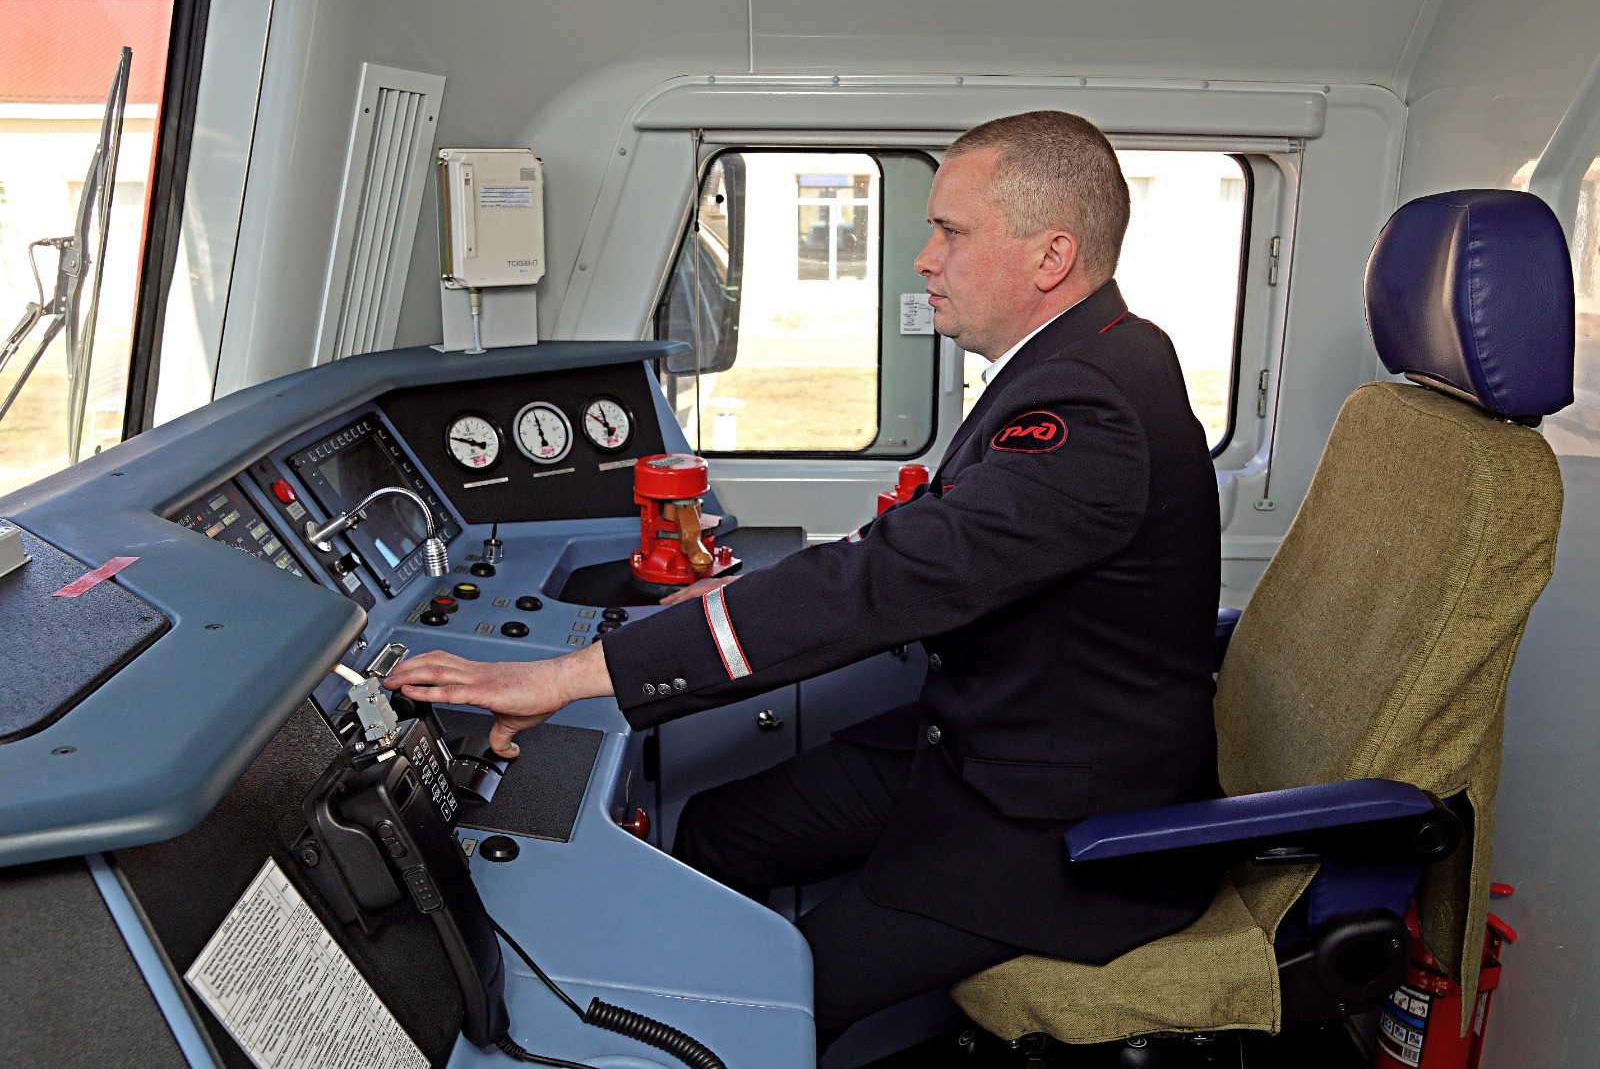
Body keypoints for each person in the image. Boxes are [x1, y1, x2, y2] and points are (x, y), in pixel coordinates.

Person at [384, 110, 1222, 1050]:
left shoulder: (1089, 407)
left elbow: (893, 579)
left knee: (767, 1004)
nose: (925, 260)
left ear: (1050, 256)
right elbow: (939, 537)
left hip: (1060, 824)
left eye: (951, 232)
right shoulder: (1088, 356)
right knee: (718, 833)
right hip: (984, 745)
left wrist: (567, 676)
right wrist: (731, 603)